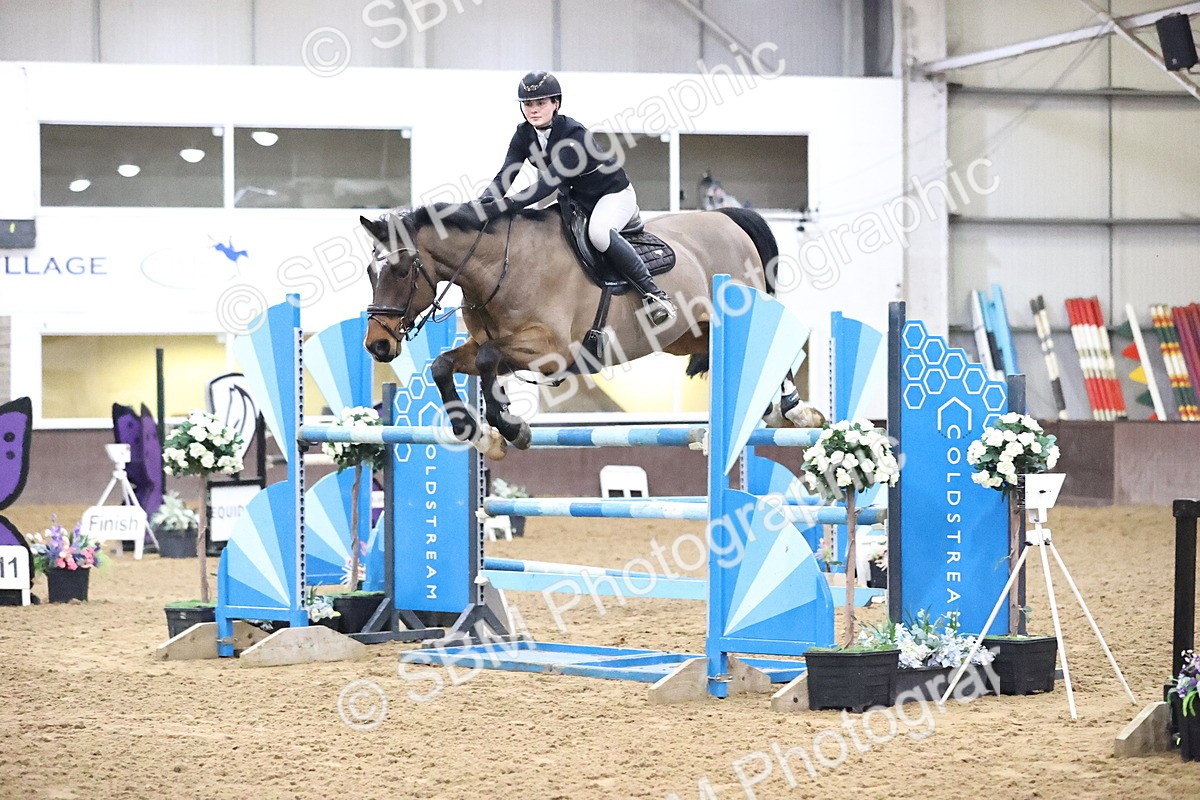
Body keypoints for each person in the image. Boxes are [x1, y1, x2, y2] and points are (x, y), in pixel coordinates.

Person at [480, 70, 677, 325]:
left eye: (541, 103)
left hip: (611, 194)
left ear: (556, 104)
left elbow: (547, 185)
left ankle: (654, 294)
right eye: (528, 104)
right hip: (577, 201)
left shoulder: (574, 136)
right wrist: (481, 204)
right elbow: (506, 174)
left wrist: (505, 206)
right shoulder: (524, 134)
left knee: (599, 234)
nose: (533, 110)